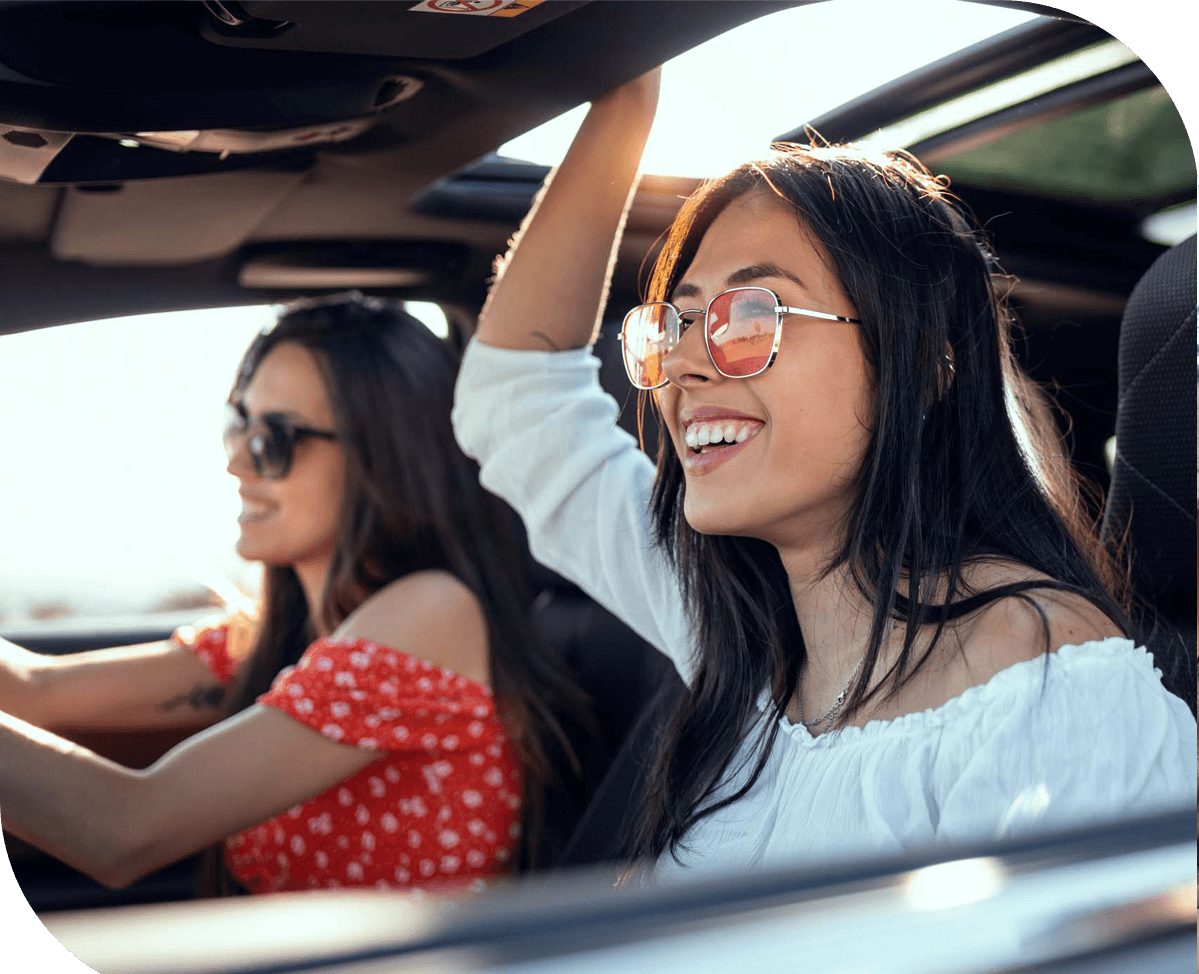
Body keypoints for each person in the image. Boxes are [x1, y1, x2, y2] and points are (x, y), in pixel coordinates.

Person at [450, 70, 1196, 884]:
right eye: (678, 323)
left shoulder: (1044, 678)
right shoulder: (734, 631)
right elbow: (512, 402)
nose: (687, 367)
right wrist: (623, 98)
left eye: (752, 315)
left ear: (917, 362)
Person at [0, 294, 587, 895]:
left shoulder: (431, 613)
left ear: (382, 456)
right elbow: (35, 692)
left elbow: (122, 829)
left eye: (273, 439)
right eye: (239, 425)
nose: (235, 463)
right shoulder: (291, 635)